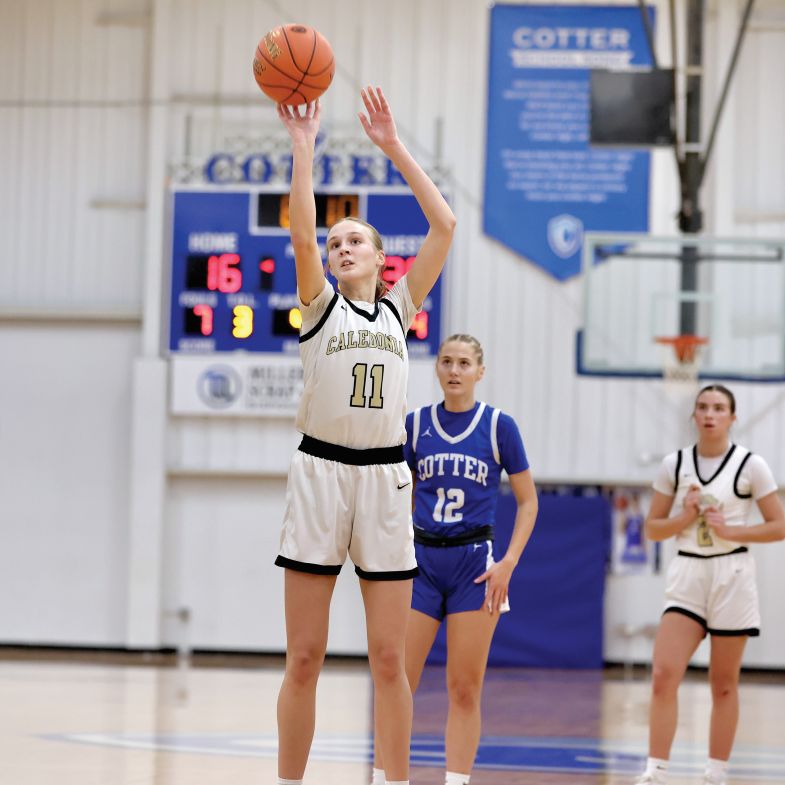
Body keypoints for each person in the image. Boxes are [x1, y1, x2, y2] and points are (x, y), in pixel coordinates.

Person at [273, 86, 456, 785]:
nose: (339, 246)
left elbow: (443, 226)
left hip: (385, 480)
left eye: (354, 241)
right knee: (305, 656)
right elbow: (297, 232)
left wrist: (392, 145)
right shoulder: (319, 305)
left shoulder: (400, 309)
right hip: (320, 474)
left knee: (389, 658)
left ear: (382, 260)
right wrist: (303, 146)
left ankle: (394, 780)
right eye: (334, 241)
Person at [372, 334, 538, 785]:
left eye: (464, 363)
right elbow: (394, 495)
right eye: (446, 361)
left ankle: (457, 781)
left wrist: (509, 562)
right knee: (395, 680)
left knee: (464, 688)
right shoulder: (415, 424)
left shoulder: (499, 426)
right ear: (437, 368)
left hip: (475, 567)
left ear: (480, 372)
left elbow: (528, 502)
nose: (454, 370)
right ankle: (385, 778)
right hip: (421, 562)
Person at [634, 384, 785, 785]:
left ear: (732, 418)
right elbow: (652, 529)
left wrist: (734, 529)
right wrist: (684, 518)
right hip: (688, 572)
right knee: (664, 674)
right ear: (694, 415)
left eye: (719, 408)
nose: (709, 414)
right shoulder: (675, 464)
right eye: (702, 407)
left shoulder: (751, 465)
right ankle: (656, 770)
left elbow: (779, 528)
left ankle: (716, 772)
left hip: (732, 575)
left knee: (723, 683)